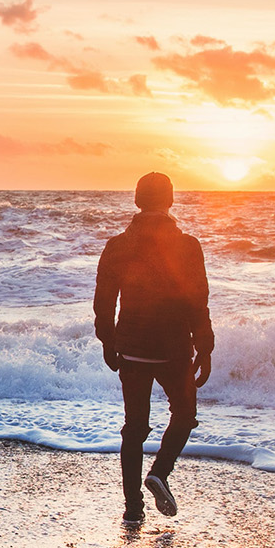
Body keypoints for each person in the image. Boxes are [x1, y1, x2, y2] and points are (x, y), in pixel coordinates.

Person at [93, 172, 213, 523]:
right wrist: (203, 347)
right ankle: (159, 473)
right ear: (170, 200)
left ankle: (133, 508)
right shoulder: (187, 245)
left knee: (134, 428)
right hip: (174, 347)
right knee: (185, 415)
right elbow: (198, 301)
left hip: (131, 346)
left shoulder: (117, 245)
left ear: (136, 199)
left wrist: (108, 340)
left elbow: (104, 300)